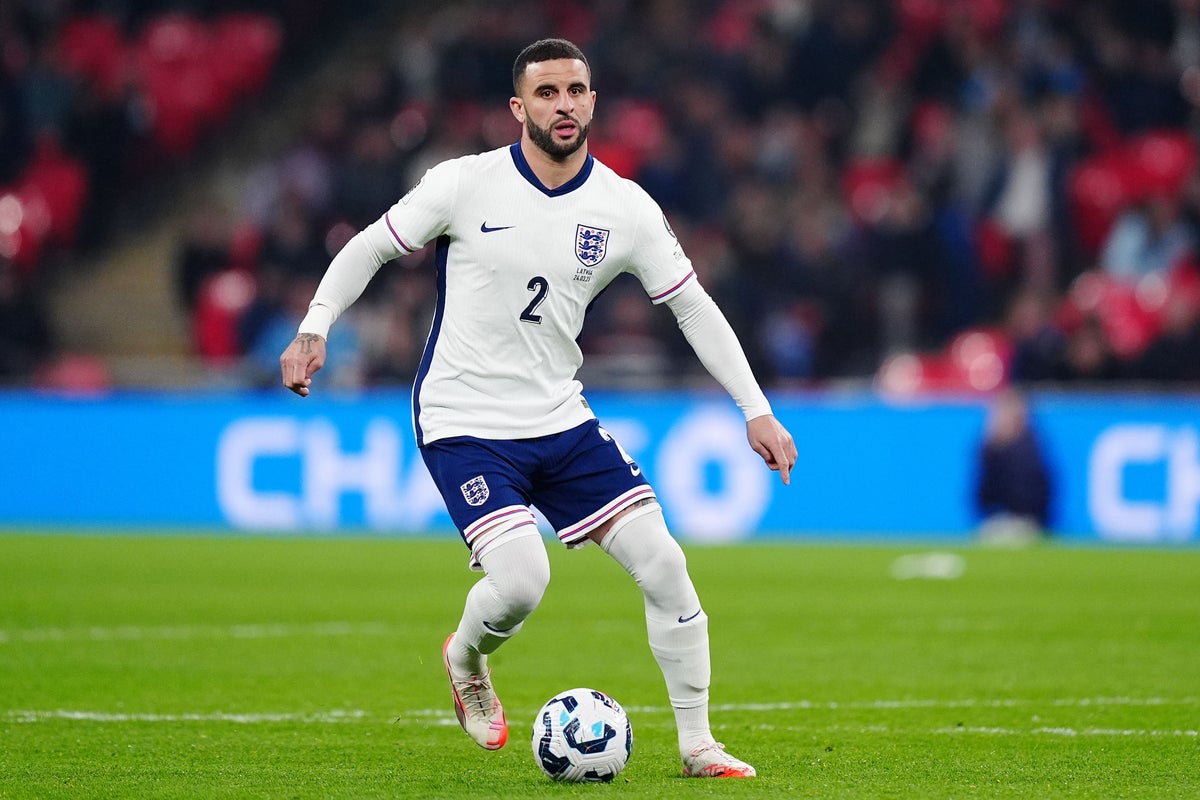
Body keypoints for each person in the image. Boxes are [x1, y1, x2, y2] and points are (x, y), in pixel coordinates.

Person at [279, 38, 797, 779]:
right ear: (518, 107)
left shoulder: (625, 207)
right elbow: (369, 248)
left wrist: (756, 409)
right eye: (547, 93)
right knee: (523, 581)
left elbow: (693, 308)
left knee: (665, 564)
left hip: (559, 417)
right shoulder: (464, 183)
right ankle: (466, 658)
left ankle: (698, 745)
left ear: (593, 102)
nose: (564, 105)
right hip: (463, 418)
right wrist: (315, 327)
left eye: (576, 91)